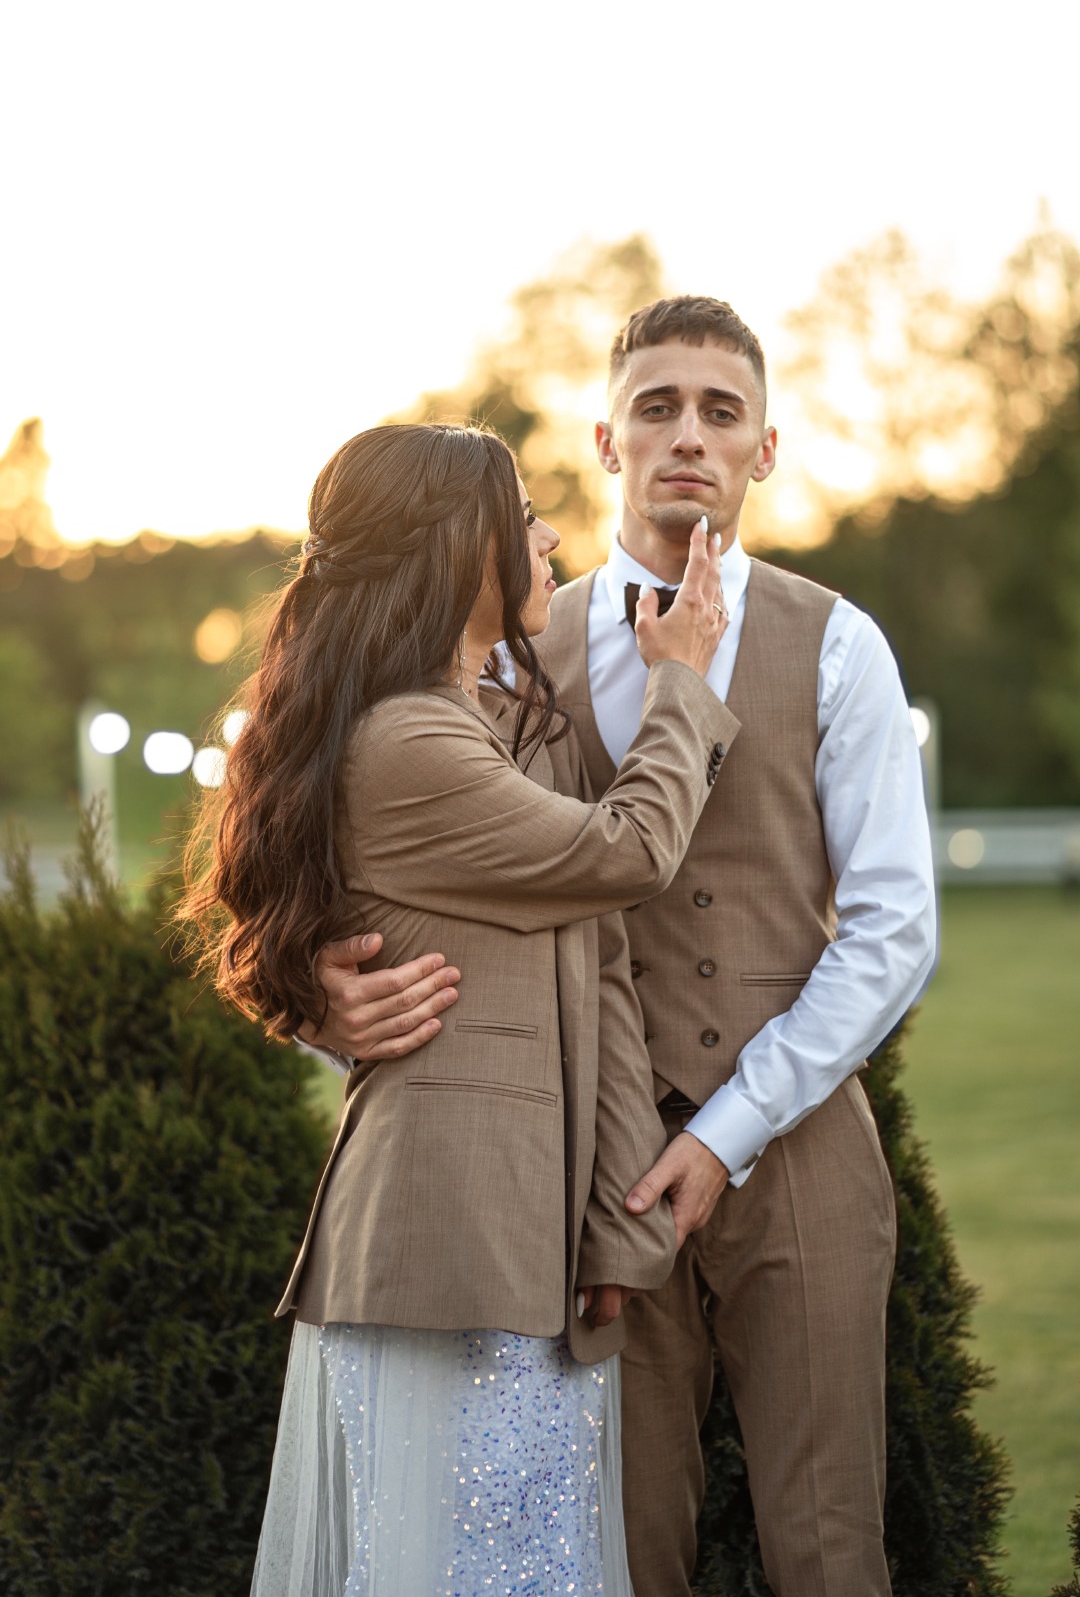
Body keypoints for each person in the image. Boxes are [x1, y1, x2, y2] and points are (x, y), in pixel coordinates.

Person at [307, 299, 938, 1597]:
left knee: (829, 1546)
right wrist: (322, 995)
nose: (688, 436)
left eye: (721, 411)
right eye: (658, 406)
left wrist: (733, 1125)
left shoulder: (841, 643)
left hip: (804, 1149)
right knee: (617, 1549)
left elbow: (893, 926)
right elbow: (371, 847)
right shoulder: (503, 644)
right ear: (606, 438)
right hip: (583, 1172)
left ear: (765, 449)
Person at [181, 421, 736, 1596]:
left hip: (524, 1241)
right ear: (451, 548)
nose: (545, 536)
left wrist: (611, 1224)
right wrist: (681, 681)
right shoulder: (412, 740)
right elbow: (629, 850)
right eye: (518, 511)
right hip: (450, 1241)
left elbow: (589, 975)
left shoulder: (481, 724)